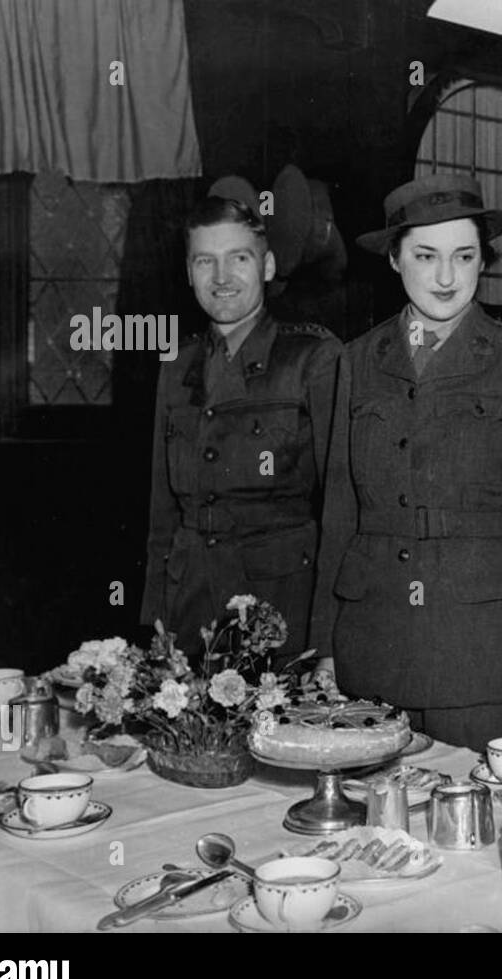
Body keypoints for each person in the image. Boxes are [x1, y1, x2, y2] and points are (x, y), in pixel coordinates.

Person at [310, 175, 502, 751]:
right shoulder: (356, 361)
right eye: (425, 256)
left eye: (463, 256)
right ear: (394, 259)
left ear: (482, 261)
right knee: (375, 829)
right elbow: (338, 510)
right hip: (375, 646)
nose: (446, 277)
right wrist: (325, 643)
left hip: (482, 653)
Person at [142, 196, 341, 655]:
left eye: (239, 258)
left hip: (281, 611)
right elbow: (161, 514)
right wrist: (155, 624)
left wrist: (328, 642)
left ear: (267, 266)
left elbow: (340, 510)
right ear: (189, 273)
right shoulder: (176, 364)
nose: (222, 277)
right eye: (205, 261)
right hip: (189, 609)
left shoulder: (311, 358)